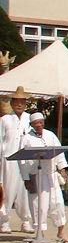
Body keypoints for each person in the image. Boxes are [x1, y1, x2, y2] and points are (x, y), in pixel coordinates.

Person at [20, 110, 68, 243]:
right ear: (31, 124)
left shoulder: (50, 135)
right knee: (38, 206)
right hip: (35, 176)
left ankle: (61, 231)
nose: (39, 125)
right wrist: (26, 178)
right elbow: (22, 161)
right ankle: (40, 233)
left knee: (58, 203)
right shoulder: (26, 138)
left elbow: (59, 153)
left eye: (40, 122)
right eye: (36, 123)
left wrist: (62, 169)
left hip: (51, 175)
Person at [1, 87, 33, 234]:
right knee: (7, 190)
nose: (19, 104)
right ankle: (4, 221)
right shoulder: (5, 119)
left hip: (25, 160)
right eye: (16, 102)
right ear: (12, 103)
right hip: (9, 159)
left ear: (25, 103)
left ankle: (26, 221)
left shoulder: (29, 119)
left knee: (24, 191)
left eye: (22, 102)